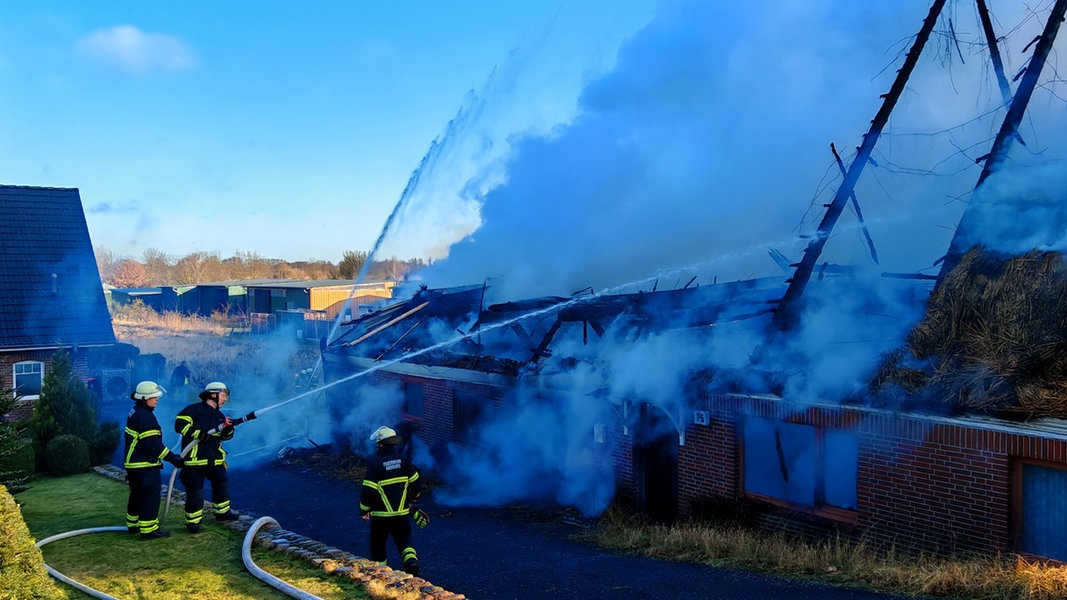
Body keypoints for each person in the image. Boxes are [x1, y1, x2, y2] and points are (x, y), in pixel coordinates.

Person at [174, 381, 239, 533]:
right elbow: (179, 425)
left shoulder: (219, 415)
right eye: (223, 396)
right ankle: (193, 523)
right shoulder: (193, 410)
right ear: (213, 395)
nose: (224, 399)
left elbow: (224, 437)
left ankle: (222, 512)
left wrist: (228, 430)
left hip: (214, 459)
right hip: (194, 461)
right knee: (196, 491)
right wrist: (198, 433)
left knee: (221, 483)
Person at [360, 425, 424, 576]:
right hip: (401, 514)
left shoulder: (375, 464)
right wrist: (415, 497)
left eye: (378, 443)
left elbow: (368, 491)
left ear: (380, 444)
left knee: (378, 545)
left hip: (381, 516)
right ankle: (411, 564)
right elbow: (417, 483)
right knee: (404, 541)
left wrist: (363, 510)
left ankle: (382, 574)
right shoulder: (404, 461)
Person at [124, 380, 184, 540]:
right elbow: (153, 446)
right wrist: (173, 458)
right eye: (154, 397)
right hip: (144, 464)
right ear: (144, 398)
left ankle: (133, 524)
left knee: (136, 494)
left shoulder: (136, 411)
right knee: (150, 495)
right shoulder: (145, 417)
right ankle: (149, 530)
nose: (157, 399)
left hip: (133, 463)